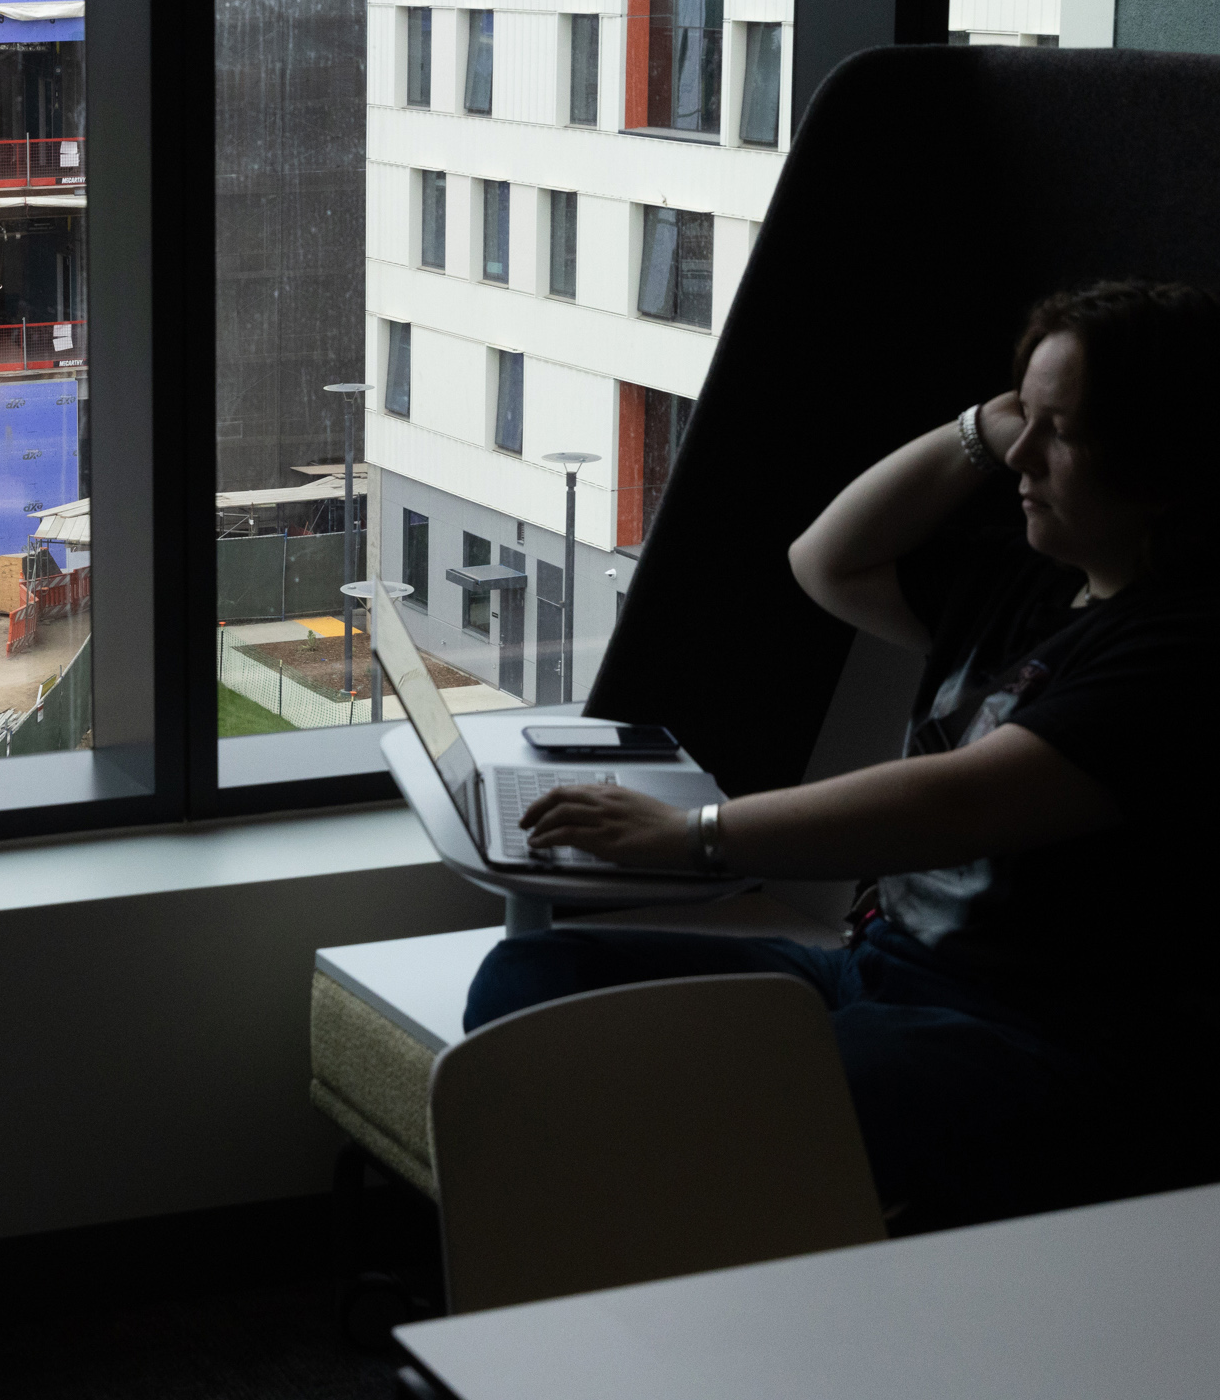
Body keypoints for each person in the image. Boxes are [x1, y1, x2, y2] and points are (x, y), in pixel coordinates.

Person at [466, 280, 1220, 1229]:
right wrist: (974, 433)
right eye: (1023, 419)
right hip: (876, 972)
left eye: (1060, 433)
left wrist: (693, 835)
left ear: (1160, 458)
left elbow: (962, 804)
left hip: (1024, 1036)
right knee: (529, 988)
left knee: (704, 1100)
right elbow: (824, 560)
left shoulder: (1184, 645)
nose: (1022, 456)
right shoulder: (1031, 580)